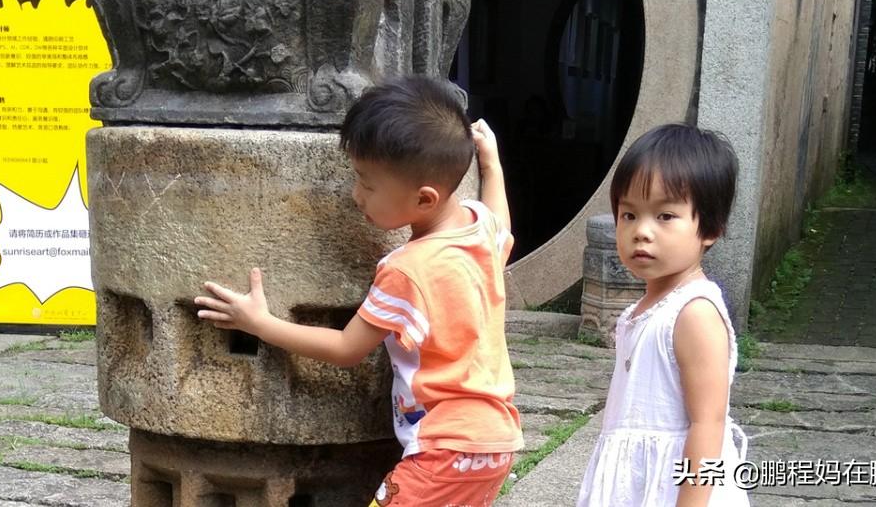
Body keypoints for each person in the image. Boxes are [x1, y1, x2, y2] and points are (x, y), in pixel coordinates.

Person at [194, 76, 524, 507]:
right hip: (495, 440)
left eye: (368, 184)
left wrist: (261, 323)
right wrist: (492, 164)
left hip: (444, 446)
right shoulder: (480, 231)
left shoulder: (406, 270)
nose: (356, 195)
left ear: (425, 199)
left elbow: (347, 347)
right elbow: (501, 220)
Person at [576, 123, 750, 507]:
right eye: (629, 215)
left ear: (711, 227)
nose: (642, 232)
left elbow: (708, 425)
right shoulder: (640, 312)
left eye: (665, 216)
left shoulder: (694, 314)